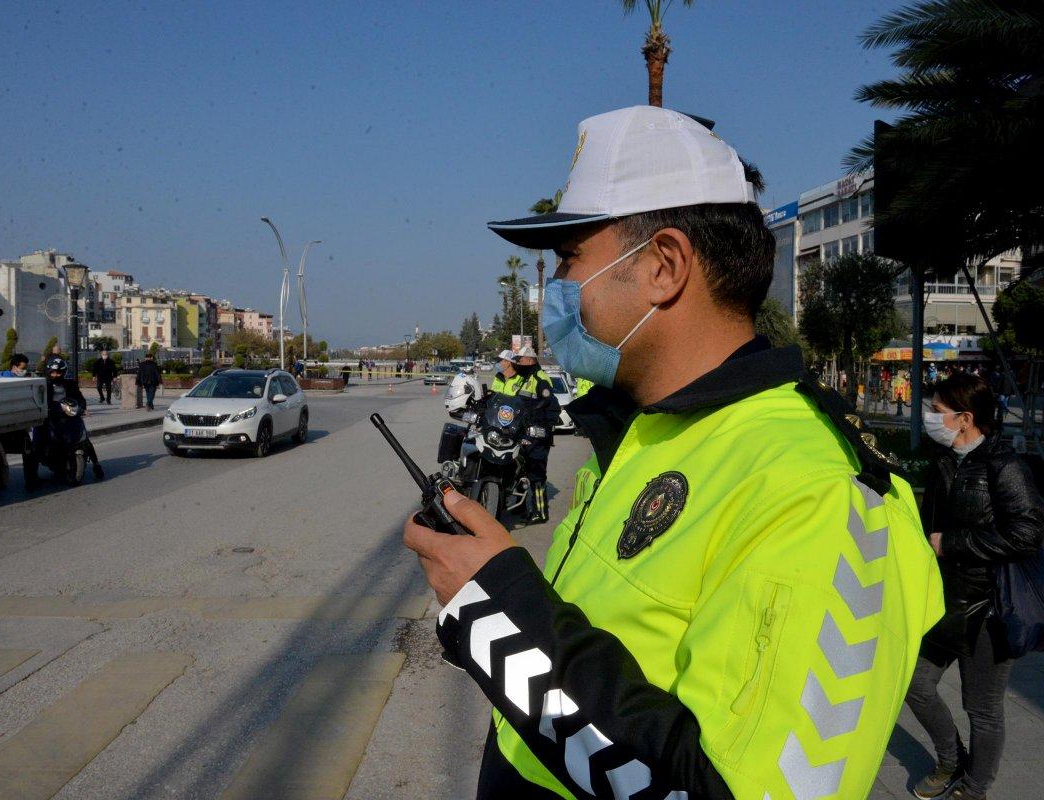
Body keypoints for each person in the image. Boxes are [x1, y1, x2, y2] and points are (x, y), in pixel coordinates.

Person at [402, 106, 944, 799]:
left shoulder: (818, 491)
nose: (556, 291)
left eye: (570, 258)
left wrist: (497, 613)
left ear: (663, 266)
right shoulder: (646, 432)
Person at [907, 373, 1044, 799]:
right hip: (945, 601)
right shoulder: (945, 461)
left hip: (990, 609)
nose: (930, 418)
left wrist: (951, 544)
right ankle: (951, 760)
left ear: (965, 418)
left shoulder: (1005, 466)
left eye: (938, 412)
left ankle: (975, 785)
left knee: (982, 709)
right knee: (916, 686)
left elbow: (1027, 534)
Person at [23, 356, 104, 486]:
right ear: (49, 372)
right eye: (53, 372)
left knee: (85, 439)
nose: (55, 375)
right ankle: (31, 478)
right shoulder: (43, 386)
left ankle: (96, 464)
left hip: (69, 419)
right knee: (34, 447)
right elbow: (37, 401)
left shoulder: (70, 384)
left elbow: (79, 398)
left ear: (64, 372)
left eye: (58, 372)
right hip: (48, 420)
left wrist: (82, 408)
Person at [512, 346, 561, 523]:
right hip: (522, 432)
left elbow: (547, 400)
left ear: (531, 361)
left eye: (521, 360)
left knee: (536, 475)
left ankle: (540, 512)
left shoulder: (540, 378)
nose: (518, 363)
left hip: (538, 434)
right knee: (519, 471)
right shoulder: (524, 379)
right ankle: (520, 507)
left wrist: (534, 414)